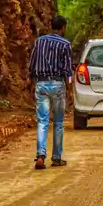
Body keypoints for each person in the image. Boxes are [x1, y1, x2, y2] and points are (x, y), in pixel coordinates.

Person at [28, 15, 73, 170]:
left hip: (41, 84)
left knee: (42, 121)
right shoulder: (65, 44)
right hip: (58, 85)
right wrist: (69, 90)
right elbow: (67, 70)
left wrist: (30, 82)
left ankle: (40, 156)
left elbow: (32, 64)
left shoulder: (39, 41)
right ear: (63, 27)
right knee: (59, 123)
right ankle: (56, 158)